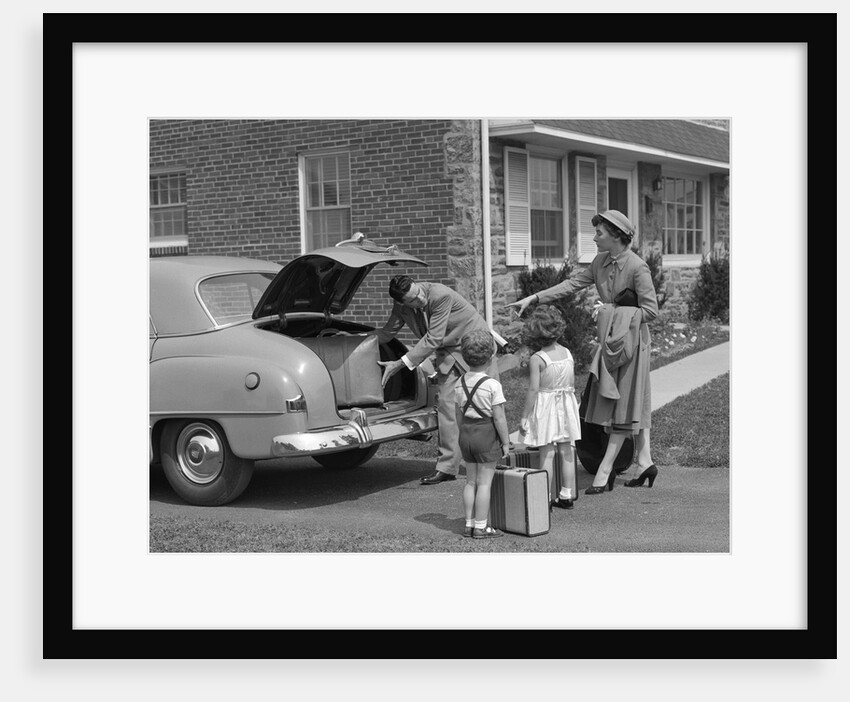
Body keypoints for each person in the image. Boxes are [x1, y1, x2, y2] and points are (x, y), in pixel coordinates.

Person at [507, 209, 659, 494]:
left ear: (616, 236)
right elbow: (571, 285)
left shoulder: (638, 267)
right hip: (610, 342)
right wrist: (533, 298)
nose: (594, 237)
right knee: (630, 402)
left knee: (623, 405)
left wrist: (610, 311)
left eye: (599, 233)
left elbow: (651, 311)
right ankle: (644, 461)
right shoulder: (600, 261)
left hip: (632, 344)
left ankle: (605, 469)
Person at [376, 275, 500, 485]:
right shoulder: (402, 308)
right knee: (446, 406)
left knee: (488, 404)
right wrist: (354, 339)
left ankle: (498, 458)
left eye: (419, 293)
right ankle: (447, 467)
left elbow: (433, 337)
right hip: (448, 353)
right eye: (413, 299)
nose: (420, 299)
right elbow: (387, 333)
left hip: (476, 347)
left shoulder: (439, 294)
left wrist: (399, 364)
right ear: (400, 302)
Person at [518, 305, 581, 509]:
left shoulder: (538, 358)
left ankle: (545, 497)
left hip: (546, 406)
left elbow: (534, 389)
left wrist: (525, 416)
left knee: (547, 452)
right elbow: (571, 380)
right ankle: (567, 494)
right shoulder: (567, 352)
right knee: (566, 450)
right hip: (566, 403)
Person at [454, 330, 510, 539]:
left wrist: (463, 434)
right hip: (485, 435)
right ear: (491, 357)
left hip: (466, 434)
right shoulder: (492, 385)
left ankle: (468, 524)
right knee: (485, 483)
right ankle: (481, 526)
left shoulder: (459, 383)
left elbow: (458, 414)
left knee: (470, 481)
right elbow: (499, 418)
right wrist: (505, 442)